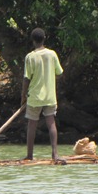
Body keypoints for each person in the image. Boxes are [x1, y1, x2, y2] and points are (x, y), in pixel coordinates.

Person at [21, 27, 65, 163]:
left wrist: (23, 97)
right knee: (51, 123)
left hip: (34, 97)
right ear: (44, 38)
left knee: (32, 125)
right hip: (50, 96)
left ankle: (29, 155)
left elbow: (26, 79)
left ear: (33, 40)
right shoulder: (52, 54)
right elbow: (59, 72)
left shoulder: (30, 57)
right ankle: (55, 154)